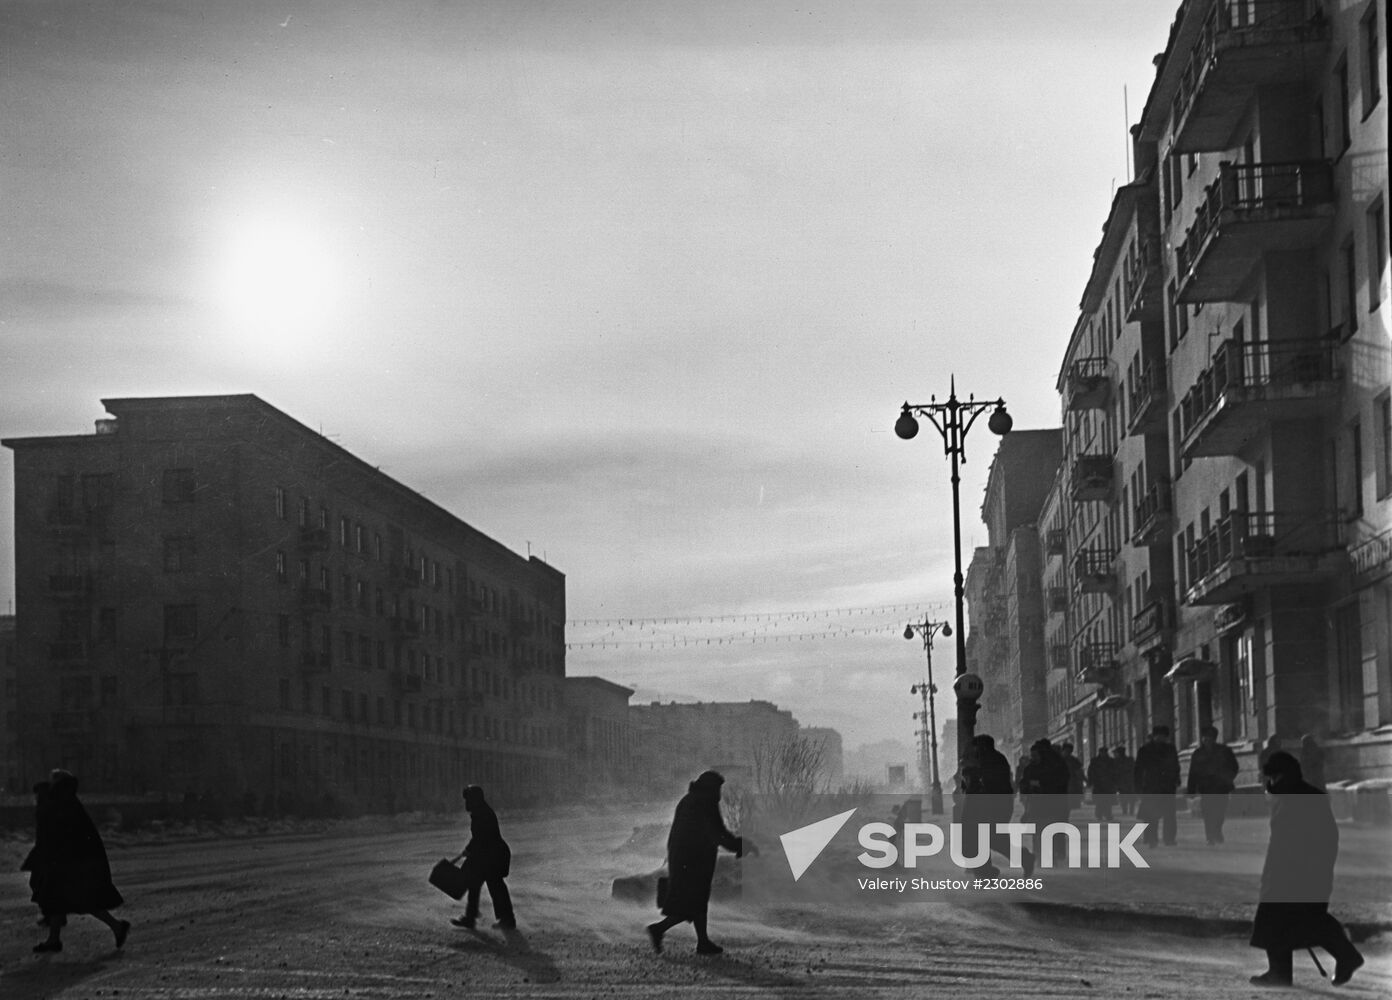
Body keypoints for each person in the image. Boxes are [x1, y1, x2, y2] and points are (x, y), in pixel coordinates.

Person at [1248, 751, 1363, 988]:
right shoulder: (1300, 796)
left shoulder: (1294, 799)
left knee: (1288, 918)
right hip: (1305, 872)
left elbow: (1296, 841)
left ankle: (1343, 957)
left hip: (1295, 873)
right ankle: (1283, 971)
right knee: (1298, 919)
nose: (1270, 783)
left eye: (1273, 777)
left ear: (1282, 776)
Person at [646, 771, 749, 955]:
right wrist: (738, 845)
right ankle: (659, 929)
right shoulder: (704, 803)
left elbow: (715, 832)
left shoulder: (692, 800)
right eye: (718, 788)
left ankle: (702, 942)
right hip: (692, 861)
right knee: (691, 903)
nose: (719, 793)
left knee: (697, 902)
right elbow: (717, 833)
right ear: (710, 788)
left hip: (687, 858)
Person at [27, 769, 130, 953]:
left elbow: (59, 834)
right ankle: (54, 939)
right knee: (62, 899)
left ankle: (116, 926)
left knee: (78, 899)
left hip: (69, 864)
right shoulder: (68, 800)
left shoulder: (62, 802)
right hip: (70, 862)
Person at [960, 734, 1033, 876]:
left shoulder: (990, 761)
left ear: (983, 747)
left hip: (990, 807)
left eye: (977, 747)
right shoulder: (989, 760)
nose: (975, 750)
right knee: (986, 840)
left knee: (985, 840)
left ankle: (986, 872)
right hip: (986, 807)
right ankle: (988, 871)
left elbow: (988, 785)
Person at [448, 785, 515, 930]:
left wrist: (468, 850)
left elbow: (481, 838)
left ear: (474, 800)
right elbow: (479, 838)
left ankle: (505, 920)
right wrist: (469, 850)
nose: (466, 803)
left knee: (495, 887)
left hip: (494, 856)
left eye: (468, 800)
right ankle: (472, 918)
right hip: (489, 855)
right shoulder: (481, 812)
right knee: (479, 885)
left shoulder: (482, 814)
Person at [1186, 725, 1240, 844]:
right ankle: (1210, 836)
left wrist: (1228, 778)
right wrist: (1191, 790)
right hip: (1206, 787)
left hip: (1221, 787)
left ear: (1214, 738)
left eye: (1209, 737)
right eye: (1204, 737)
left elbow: (1234, 766)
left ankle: (1217, 830)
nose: (1206, 740)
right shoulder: (1198, 753)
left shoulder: (1224, 751)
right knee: (1208, 812)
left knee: (1220, 812)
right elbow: (1193, 772)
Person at [1020, 739, 1070, 861]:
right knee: (1050, 829)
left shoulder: (1053, 764)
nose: (1033, 758)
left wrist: (1040, 785)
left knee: (1045, 829)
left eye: (1035, 755)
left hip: (1048, 802)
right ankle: (1053, 853)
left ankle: (1047, 854)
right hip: (1048, 803)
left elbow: (1059, 782)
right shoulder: (1056, 762)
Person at [1134, 725, 1181, 847]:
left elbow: (1175, 766)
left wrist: (1176, 779)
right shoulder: (1145, 750)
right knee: (1151, 815)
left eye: (1163, 736)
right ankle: (1151, 839)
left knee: (1169, 815)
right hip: (1151, 786)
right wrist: (1138, 787)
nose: (1161, 738)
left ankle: (1169, 839)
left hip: (1167, 786)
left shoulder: (1170, 749)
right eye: (1158, 736)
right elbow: (1138, 769)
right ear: (1154, 736)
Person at [1087, 747, 1117, 821]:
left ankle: (1105, 814)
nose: (1103, 754)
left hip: (1106, 783)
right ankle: (1101, 814)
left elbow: (1115, 772)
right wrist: (1091, 781)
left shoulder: (1109, 761)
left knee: (1106, 800)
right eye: (1102, 752)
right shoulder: (1097, 761)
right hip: (1100, 783)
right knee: (1101, 800)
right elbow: (1091, 772)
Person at [1059, 742, 1086, 814]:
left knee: (1068, 805)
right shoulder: (1057, 760)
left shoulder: (1073, 760)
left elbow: (1079, 772)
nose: (1068, 752)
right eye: (1066, 750)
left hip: (1071, 785)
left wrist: (1084, 779)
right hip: (1060, 785)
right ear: (1063, 750)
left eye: (1069, 751)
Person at [1111, 745, 1137, 816]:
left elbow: (1114, 772)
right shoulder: (1130, 760)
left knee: (1124, 796)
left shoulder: (1116, 761)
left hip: (1123, 782)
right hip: (1129, 781)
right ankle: (1130, 810)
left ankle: (1125, 810)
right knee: (1130, 796)